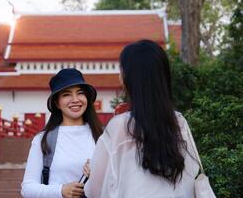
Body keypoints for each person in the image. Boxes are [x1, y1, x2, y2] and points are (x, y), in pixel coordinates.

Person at [84, 40, 199, 198]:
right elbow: (192, 175)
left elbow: (94, 190)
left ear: (128, 78)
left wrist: (93, 172)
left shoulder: (119, 127)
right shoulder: (178, 122)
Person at [21, 68, 103, 198]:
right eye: (66, 94)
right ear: (57, 103)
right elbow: (27, 188)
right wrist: (60, 190)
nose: (75, 99)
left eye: (80, 93)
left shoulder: (103, 137)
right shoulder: (44, 140)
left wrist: (100, 172)